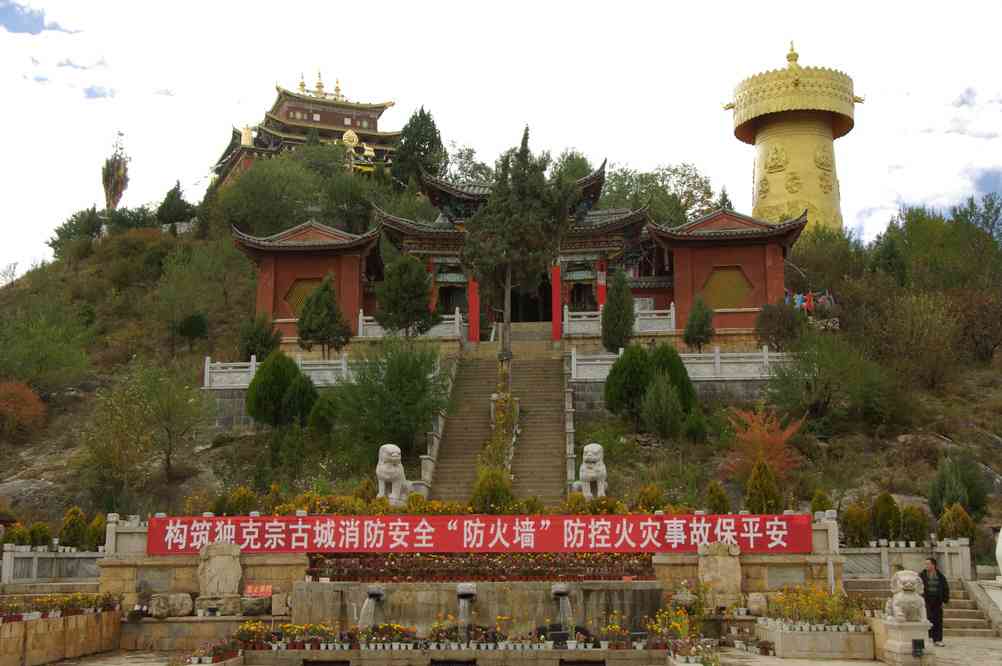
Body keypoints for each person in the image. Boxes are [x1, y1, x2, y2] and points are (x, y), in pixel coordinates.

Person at [919, 557, 949, 647]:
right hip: (926, 600)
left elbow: (945, 588)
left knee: (938, 620)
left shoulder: (940, 576)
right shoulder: (921, 575)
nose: (926, 565)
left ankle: (938, 639)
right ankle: (929, 637)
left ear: (933, 565)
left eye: (928, 564)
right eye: (926, 564)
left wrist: (945, 600)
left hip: (937, 601)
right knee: (928, 618)